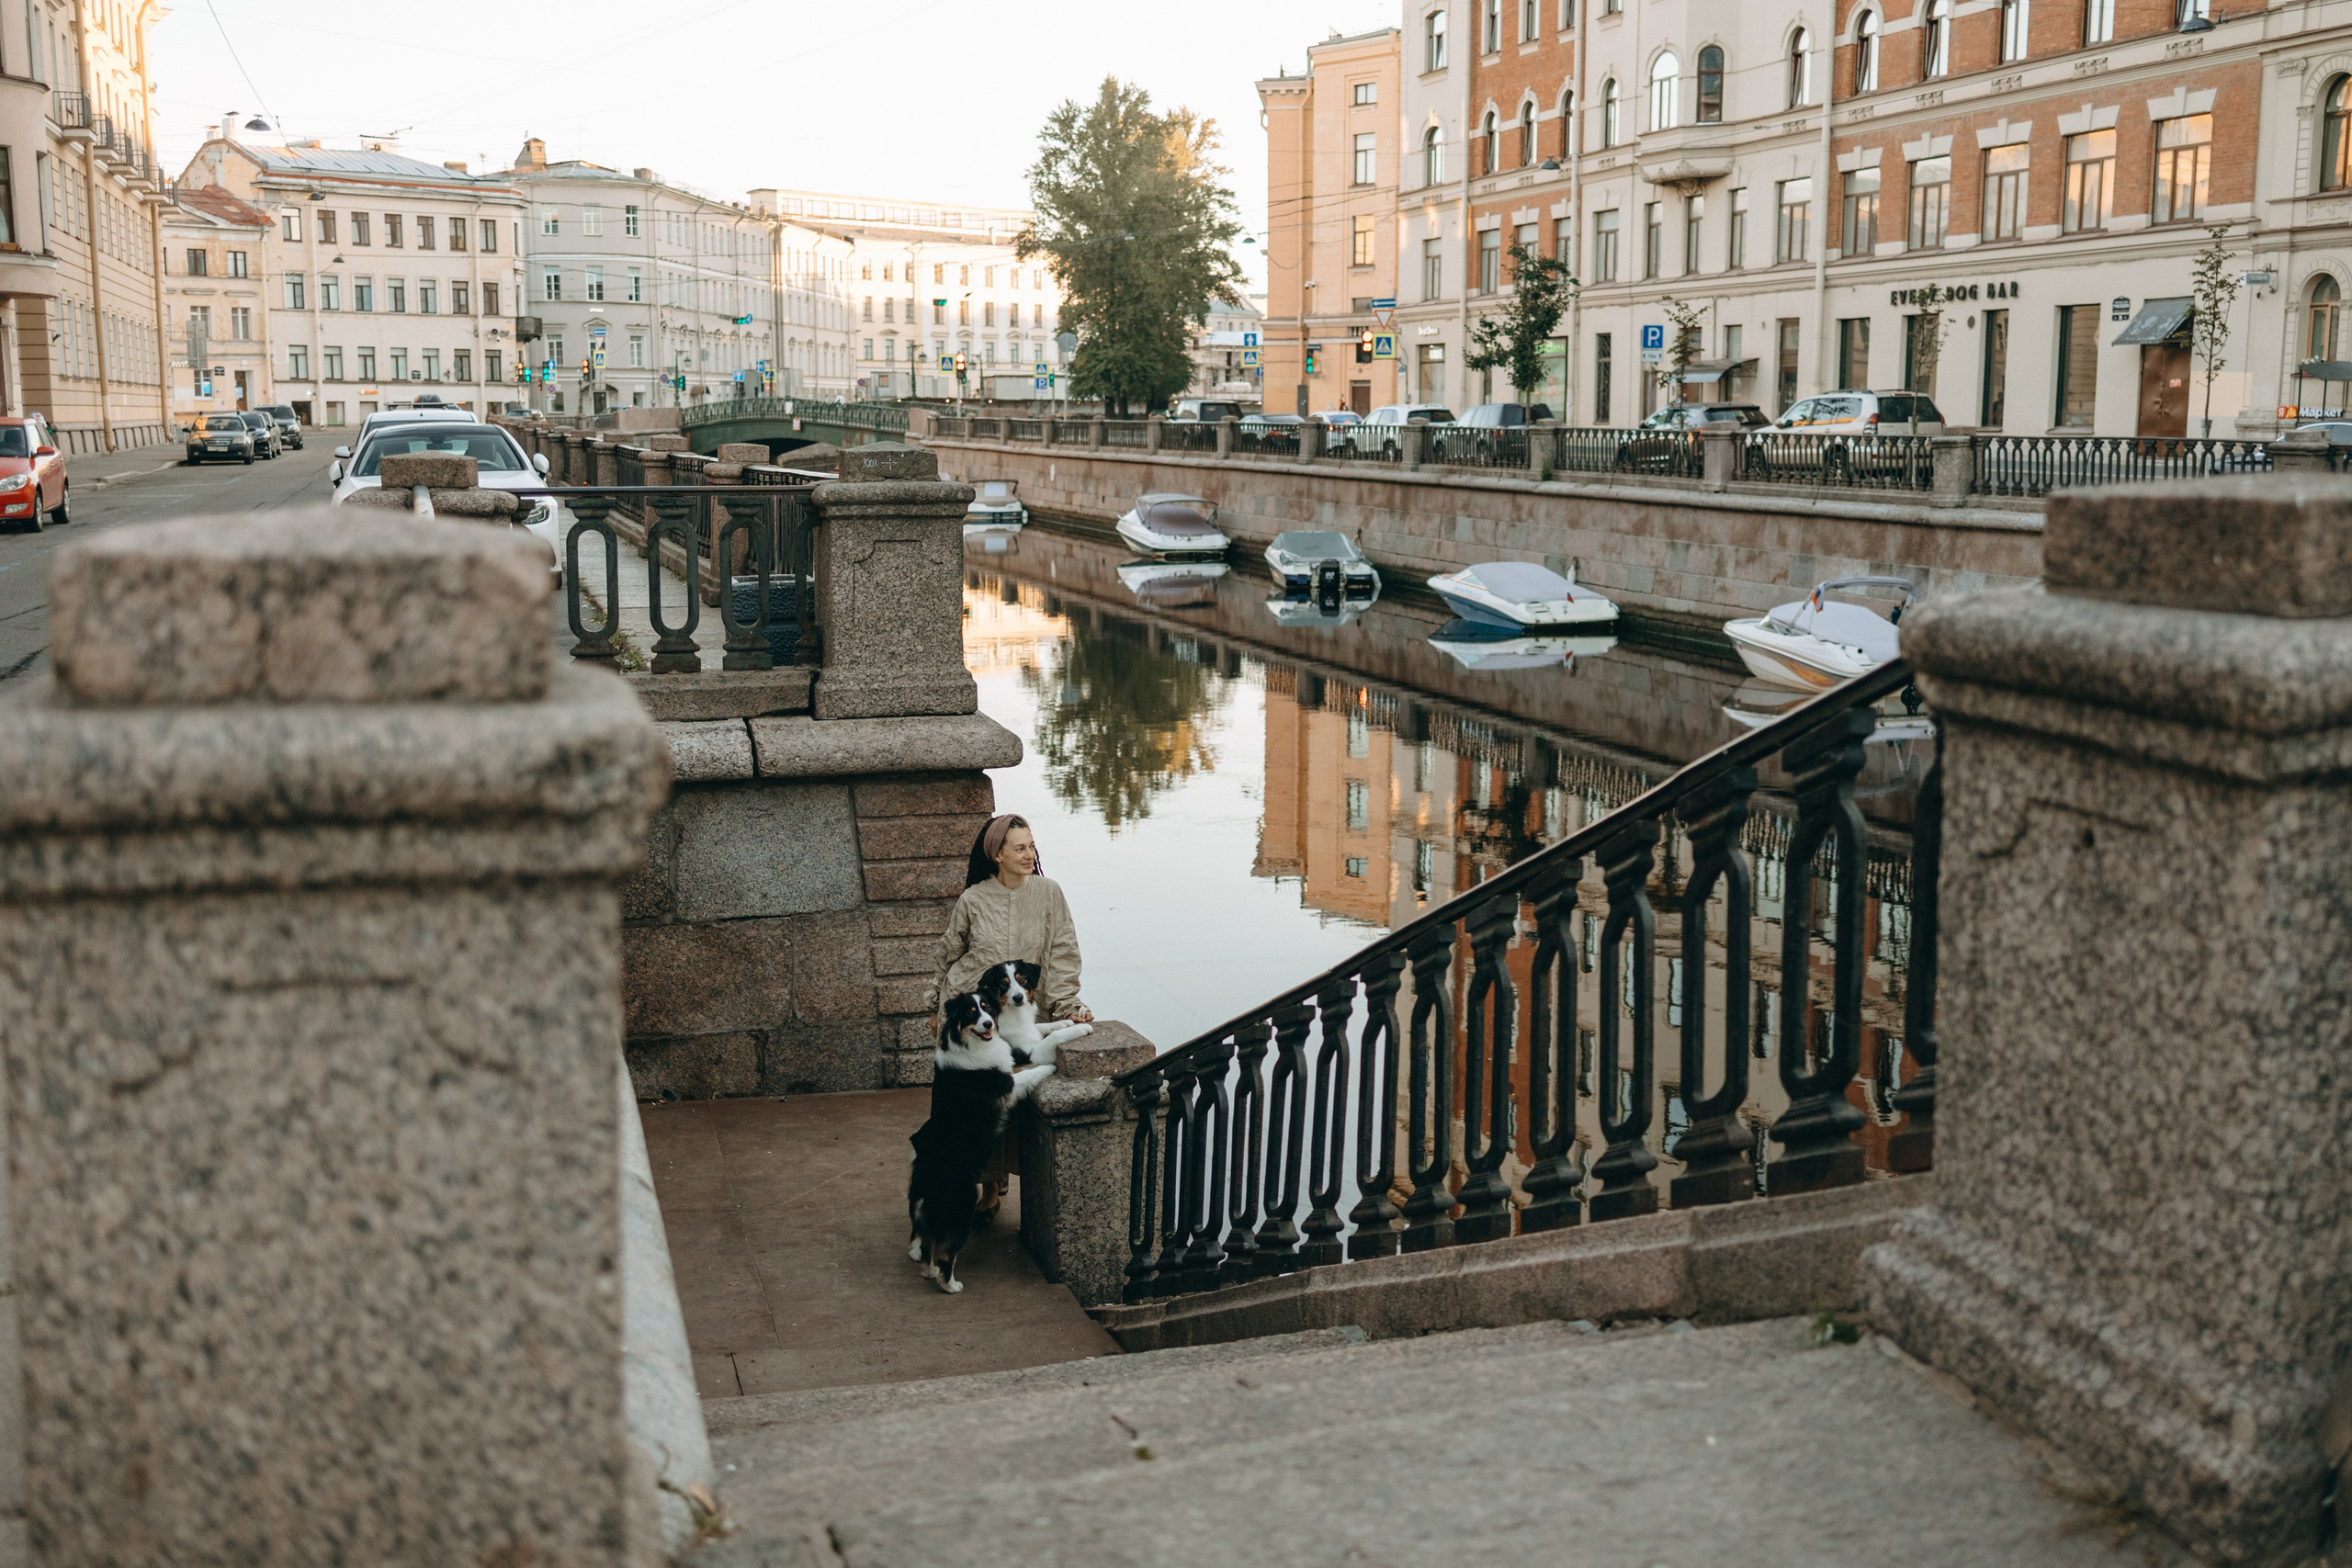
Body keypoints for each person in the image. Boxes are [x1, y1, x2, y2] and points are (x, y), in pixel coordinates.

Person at [928, 814, 1092, 1219]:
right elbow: (949, 953)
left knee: (1018, 1091)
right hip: (974, 1015)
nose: (1028, 854)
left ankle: (1006, 1175)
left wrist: (1068, 1004)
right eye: (1019, 848)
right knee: (980, 1100)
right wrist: (936, 1004)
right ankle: (988, 1187)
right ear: (997, 853)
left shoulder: (1048, 893)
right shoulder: (974, 899)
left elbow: (1063, 950)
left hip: (1019, 1017)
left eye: (1032, 846)